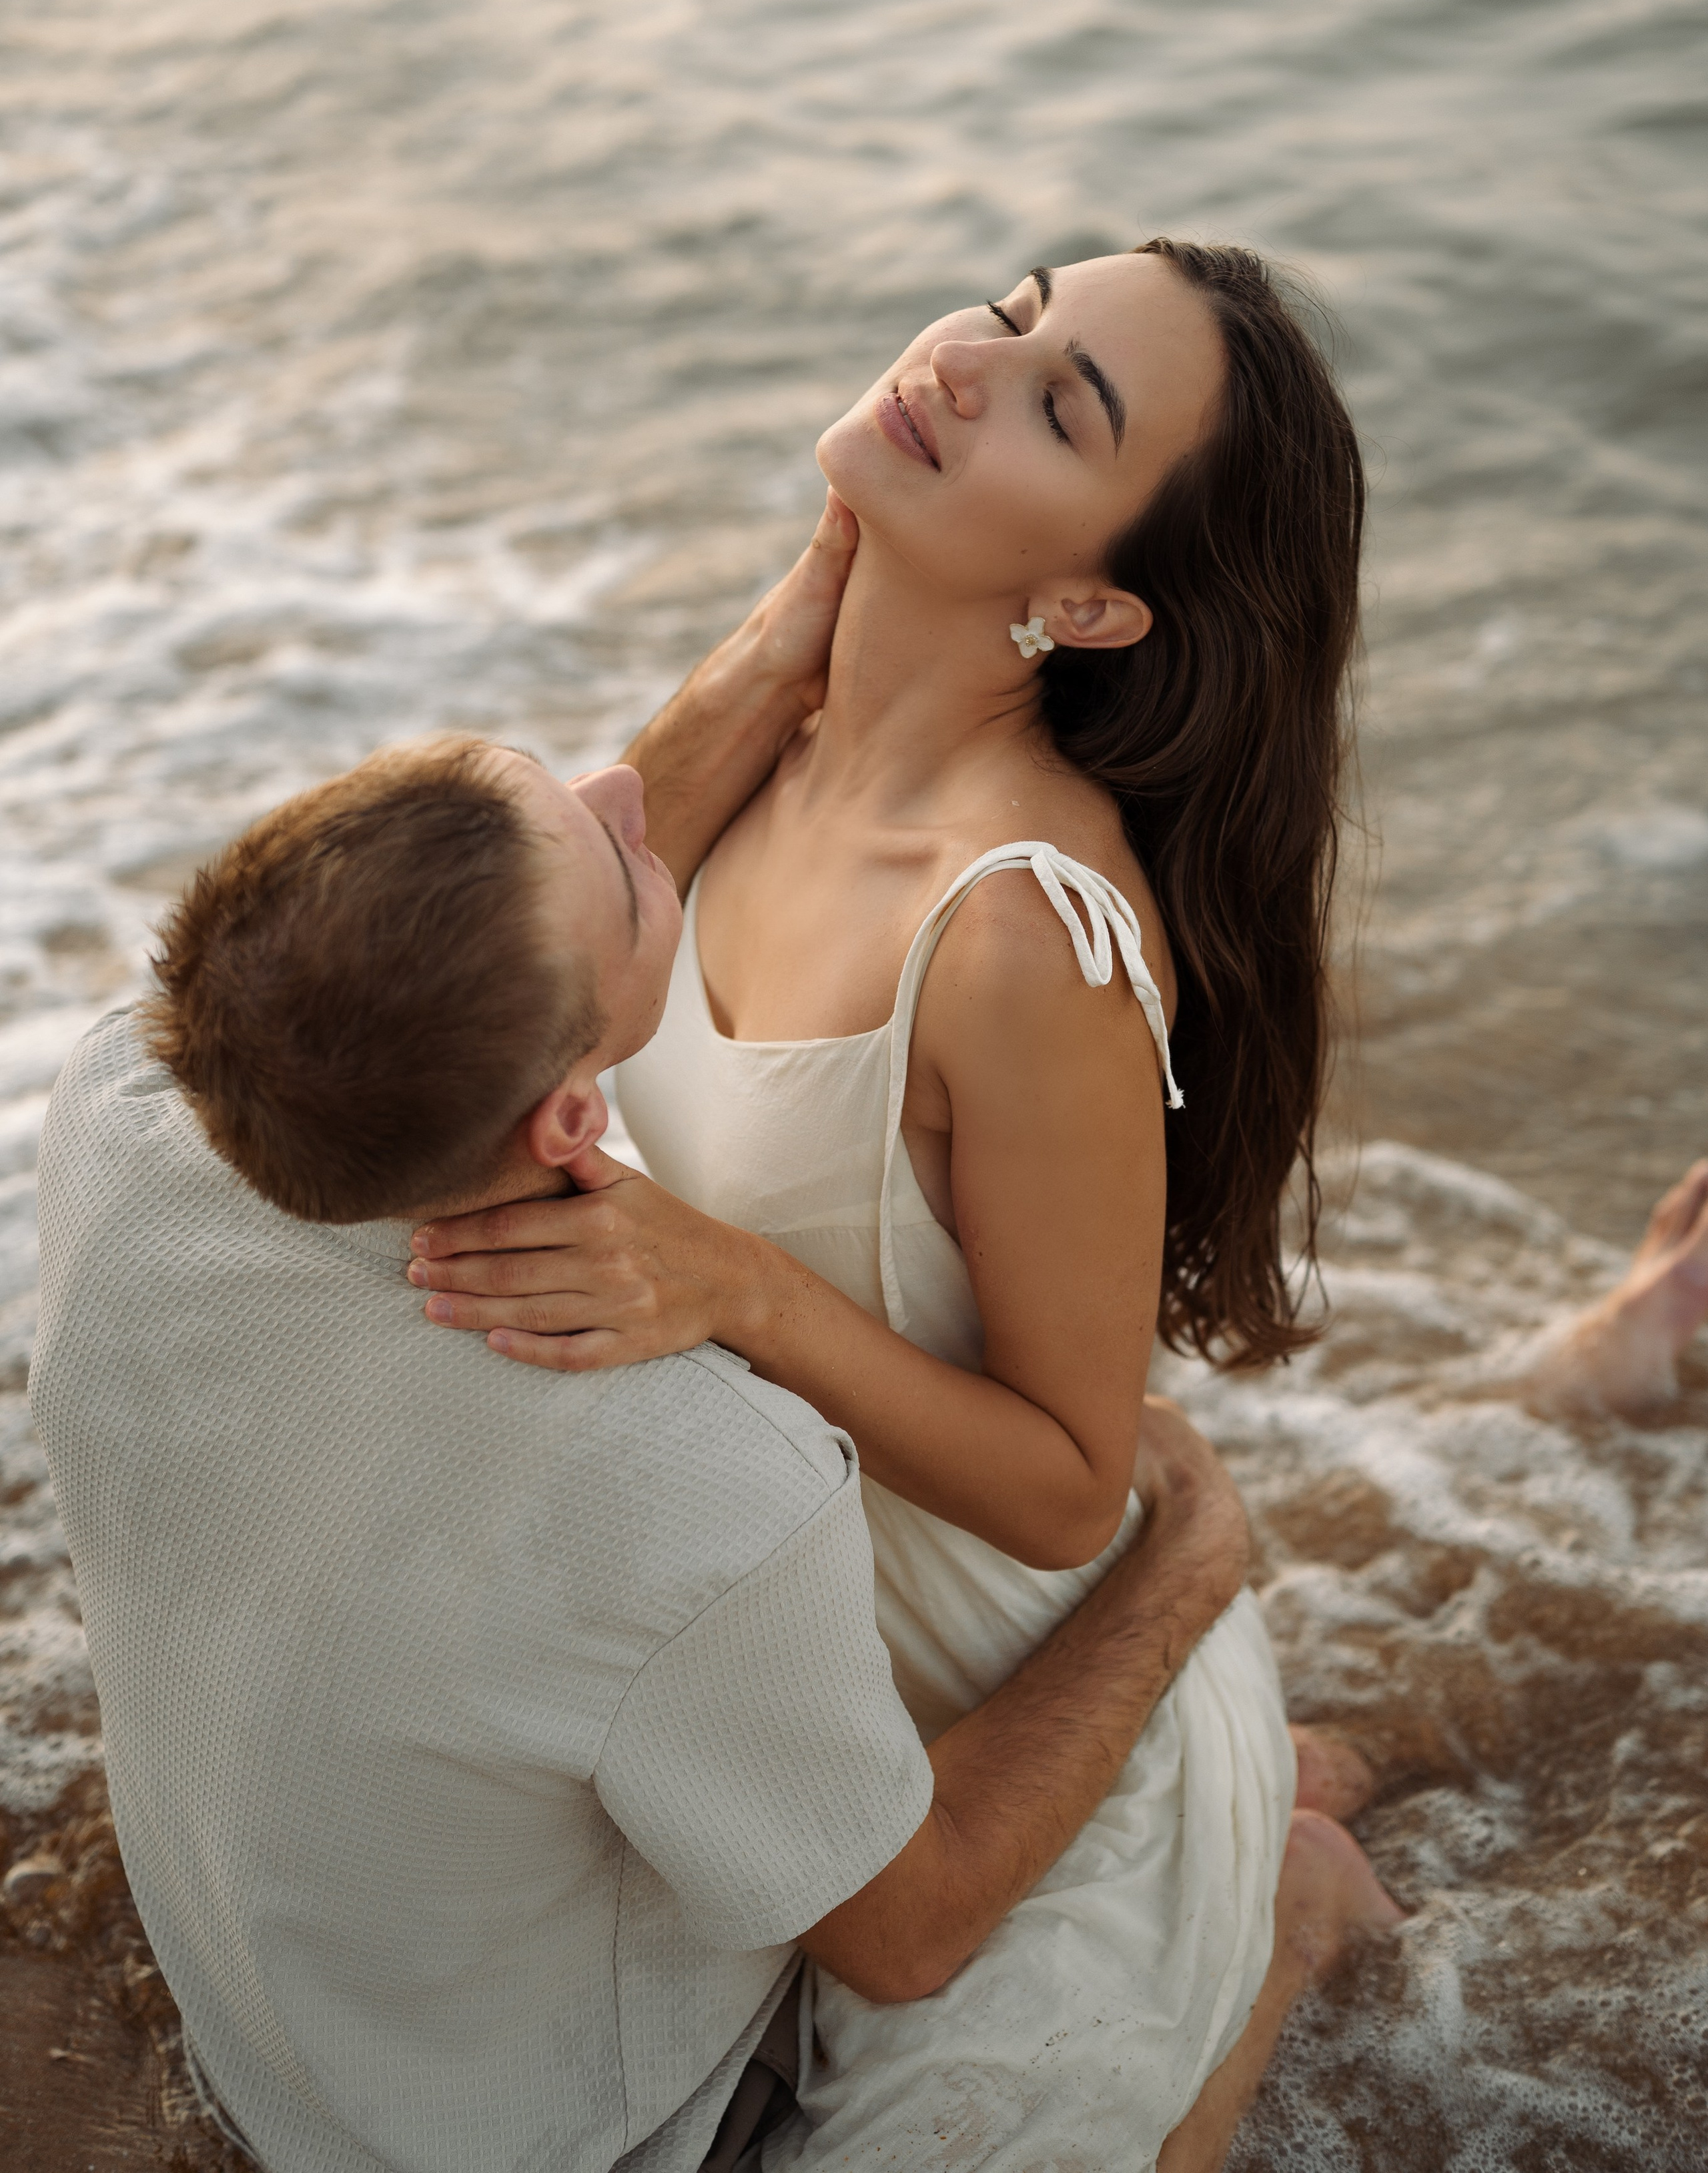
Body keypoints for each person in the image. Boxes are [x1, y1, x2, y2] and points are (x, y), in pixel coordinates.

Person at [29, 518, 1390, 2173]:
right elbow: (906, 1931)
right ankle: (1281, 1918)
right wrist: (1192, 1555)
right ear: (571, 1116)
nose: (631, 790)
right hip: (549, 2127)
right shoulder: (690, 1472)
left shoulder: (115, 1113)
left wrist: (770, 655)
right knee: (1080, 2117)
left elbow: (490, 949)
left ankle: (1268, 1789)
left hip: (274, 2005)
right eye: (618, 860)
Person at [408, 242, 1403, 2169]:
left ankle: (1271, 1904)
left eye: (1060, 403)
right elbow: (520, 952)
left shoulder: (1024, 932)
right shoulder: (756, 751)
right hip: (746, 1681)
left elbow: (1066, 1479)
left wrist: (737, 1289)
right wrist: (799, 625)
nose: (969, 360)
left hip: (982, 1712)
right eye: (1016, 313)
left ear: (1093, 601)